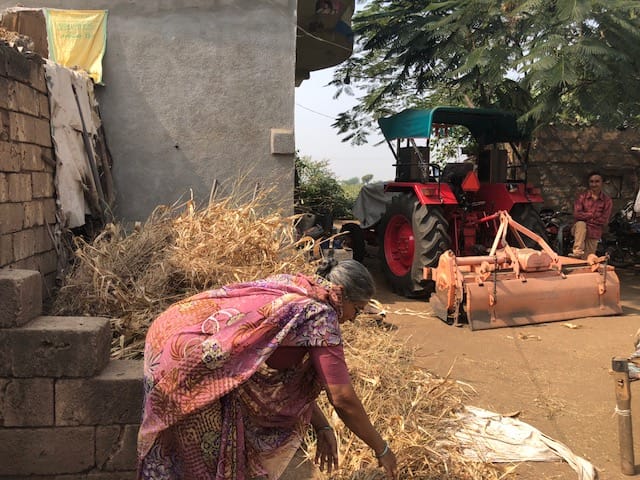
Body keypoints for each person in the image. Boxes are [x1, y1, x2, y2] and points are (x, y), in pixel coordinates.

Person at [137, 259, 398, 480]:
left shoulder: (297, 286)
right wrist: (381, 449)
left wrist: (323, 427)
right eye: (358, 310)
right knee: (204, 457)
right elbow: (342, 398)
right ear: (341, 294)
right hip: (190, 357)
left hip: (170, 331)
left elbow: (289, 378)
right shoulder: (321, 315)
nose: (354, 319)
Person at [570, 171, 613, 259]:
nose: (594, 184)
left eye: (597, 181)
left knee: (587, 260)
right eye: (591, 181)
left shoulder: (607, 201)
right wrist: (592, 215)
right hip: (579, 231)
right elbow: (577, 214)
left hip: (594, 232)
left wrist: (586, 217)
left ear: (602, 183)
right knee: (581, 224)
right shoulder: (582, 197)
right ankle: (577, 251)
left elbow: (604, 220)